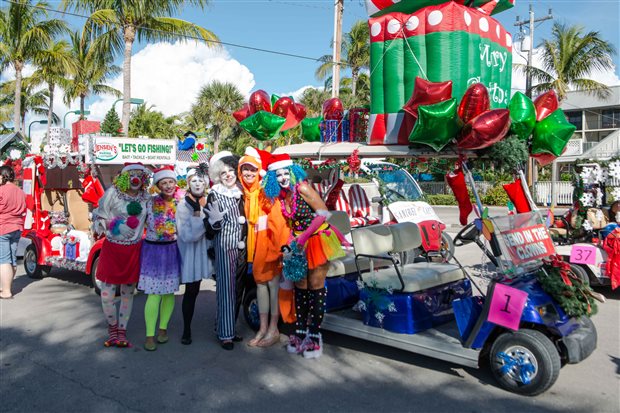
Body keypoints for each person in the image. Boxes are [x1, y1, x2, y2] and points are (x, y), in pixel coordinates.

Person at [262, 154, 346, 359]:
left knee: (315, 288)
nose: (282, 178)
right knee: (300, 288)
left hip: (317, 240)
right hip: (298, 243)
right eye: (278, 175)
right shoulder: (283, 196)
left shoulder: (303, 188)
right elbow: (293, 224)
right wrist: (292, 243)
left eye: (285, 173)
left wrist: (304, 237)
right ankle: (300, 332)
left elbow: (323, 213)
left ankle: (315, 337)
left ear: (292, 172)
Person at [92, 162, 151, 347]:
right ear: (125, 176)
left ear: (144, 179)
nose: (136, 178)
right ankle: (112, 329)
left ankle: (122, 332)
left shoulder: (146, 198)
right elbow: (98, 217)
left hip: (133, 250)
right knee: (107, 295)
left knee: (127, 294)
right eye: (132, 174)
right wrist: (114, 225)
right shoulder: (112, 193)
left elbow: (155, 218)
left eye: (140, 175)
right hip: (113, 249)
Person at [239, 148, 289, 347]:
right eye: (245, 169)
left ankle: (273, 329)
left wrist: (279, 248)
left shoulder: (264, 191)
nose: (249, 173)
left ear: (259, 170)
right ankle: (262, 328)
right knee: (260, 286)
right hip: (253, 247)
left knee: (272, 286)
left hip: (270, 243)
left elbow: (277, 221)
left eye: (253, 169)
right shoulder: (243, 193)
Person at [205, 151, 248, 350]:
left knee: (236, 290)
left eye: (231, 171)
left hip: (241, 247)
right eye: (224, 173)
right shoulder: (215, 193)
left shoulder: (240, 191)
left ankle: (226, 326)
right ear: (217, 176)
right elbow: (211, 224)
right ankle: (225, 334)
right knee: (225, 291)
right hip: (224, 246)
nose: (229, 175)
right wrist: (213, 223)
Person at [138, 166, 182, 351]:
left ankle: (162, 330)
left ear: (175, 183)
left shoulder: (181, 204)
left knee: (169, 293)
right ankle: (149, 335)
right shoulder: (149, 203)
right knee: (154, 294)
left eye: (170, 182)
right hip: (153, 251)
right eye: (164, 183)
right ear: (158, 186)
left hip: (172, 250)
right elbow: (136, 221)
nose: (168, 186)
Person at [176, 164, 213, 345]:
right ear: (188, 183)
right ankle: (186, 329)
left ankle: (224, 327)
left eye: (201, 181)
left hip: (206, 253)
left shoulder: (210, 201)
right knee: (191, 291)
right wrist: (199, 213)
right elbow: (188, 235)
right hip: (191, 255)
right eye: (194, 181)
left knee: (211, 289)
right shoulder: (183, 206)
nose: (198, 184)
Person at [0, 165, 26, 299]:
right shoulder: (20, 191)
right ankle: (7, 286)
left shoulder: (1, 190)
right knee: (12, 259)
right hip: (17, 227)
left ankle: (6, 291)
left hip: (3, 227)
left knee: (4, 260)